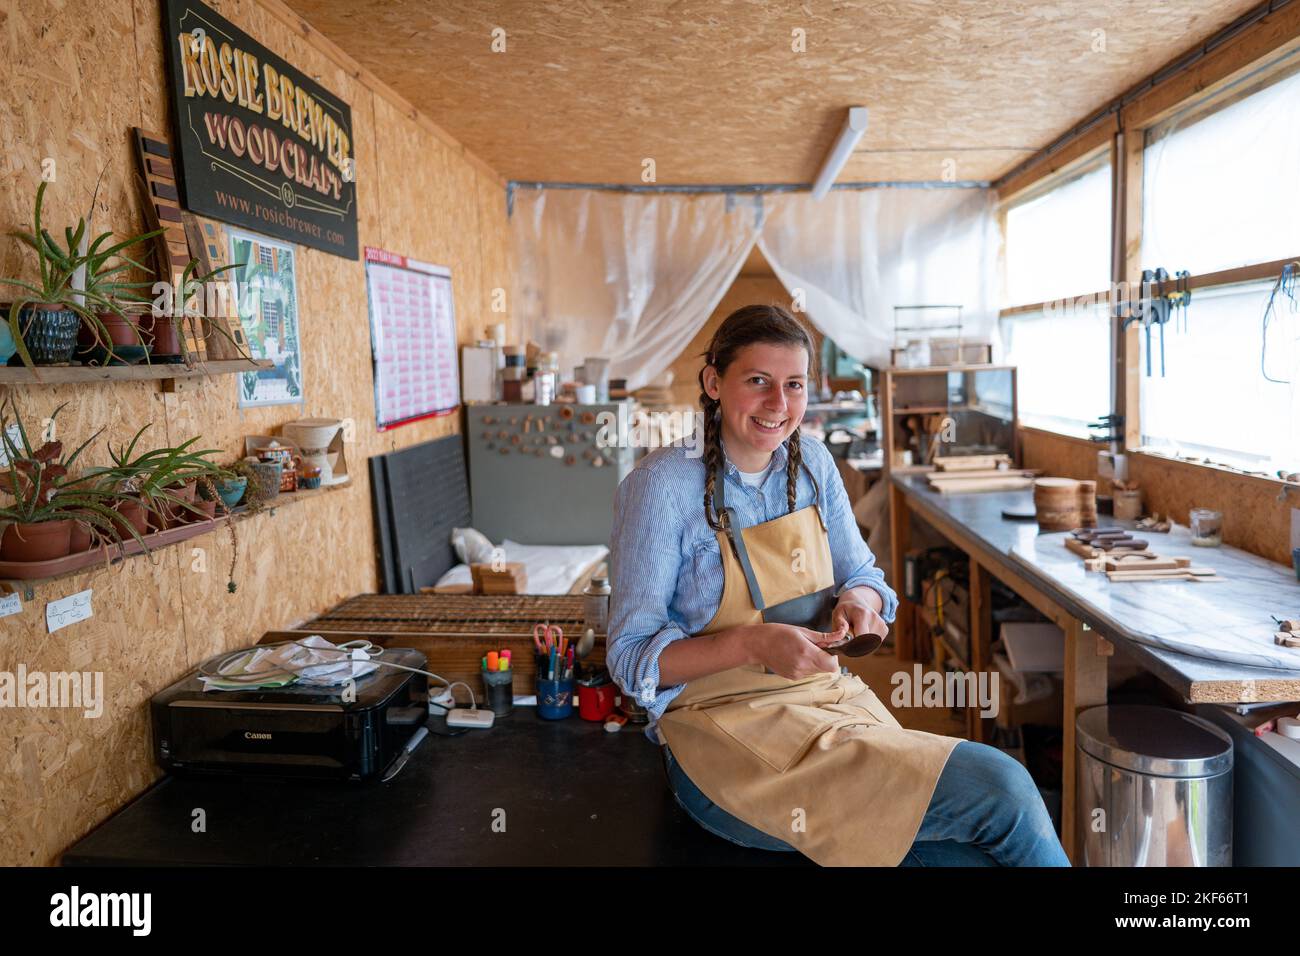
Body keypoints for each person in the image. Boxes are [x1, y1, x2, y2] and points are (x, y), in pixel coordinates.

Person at [606, 304, 1069, 866]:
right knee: (1004, 786)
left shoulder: (813, 464)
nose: (779, 404)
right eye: (758, 382)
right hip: (718, 730)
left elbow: (865, 576)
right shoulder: (661, 486)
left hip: (825, 700)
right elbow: (631, 660)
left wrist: (858, 603)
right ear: (713, 383)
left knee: (972, 859)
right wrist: (755, 644)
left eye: (794, 385)